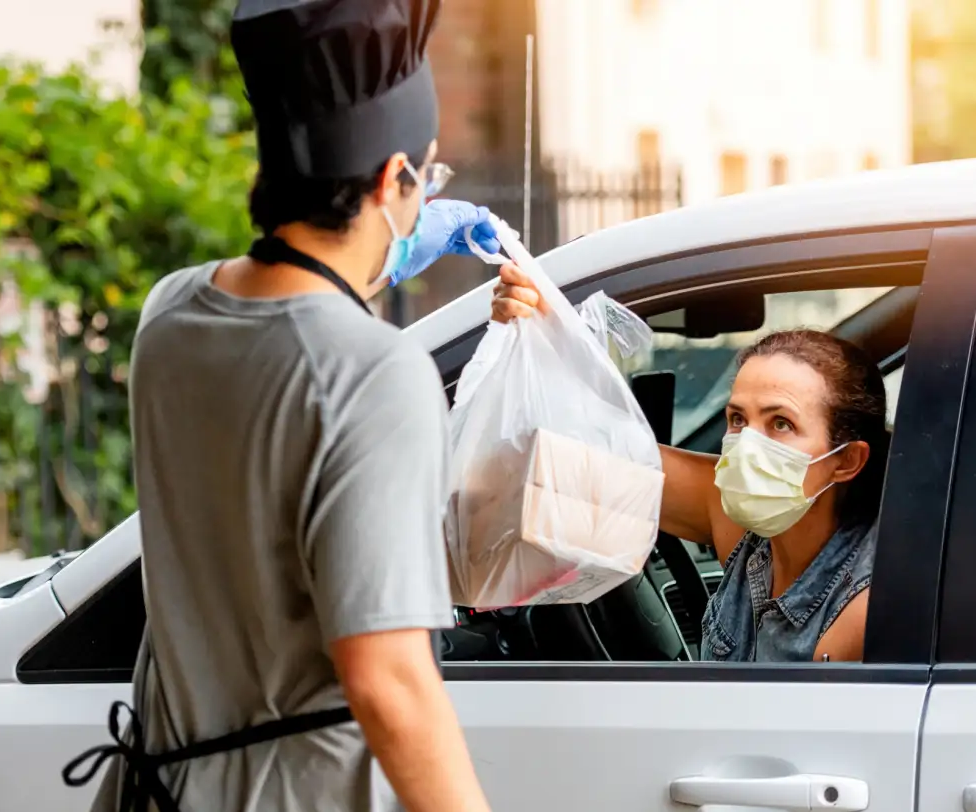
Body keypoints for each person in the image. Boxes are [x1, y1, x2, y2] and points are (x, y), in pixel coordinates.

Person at [64, 2, 495, 811]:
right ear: (390, 181)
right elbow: (389, 682)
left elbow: (289, 328)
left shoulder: (170, 312)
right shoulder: (378, 375)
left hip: (156, 788)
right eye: (427, 178)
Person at [491, 264, 890, 663]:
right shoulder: (746, 527)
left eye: (780, 424)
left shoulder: (859, 610)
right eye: (738, 419)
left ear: (846, 460)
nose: (747, 447)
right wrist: (534, 338)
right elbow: (590, 458)